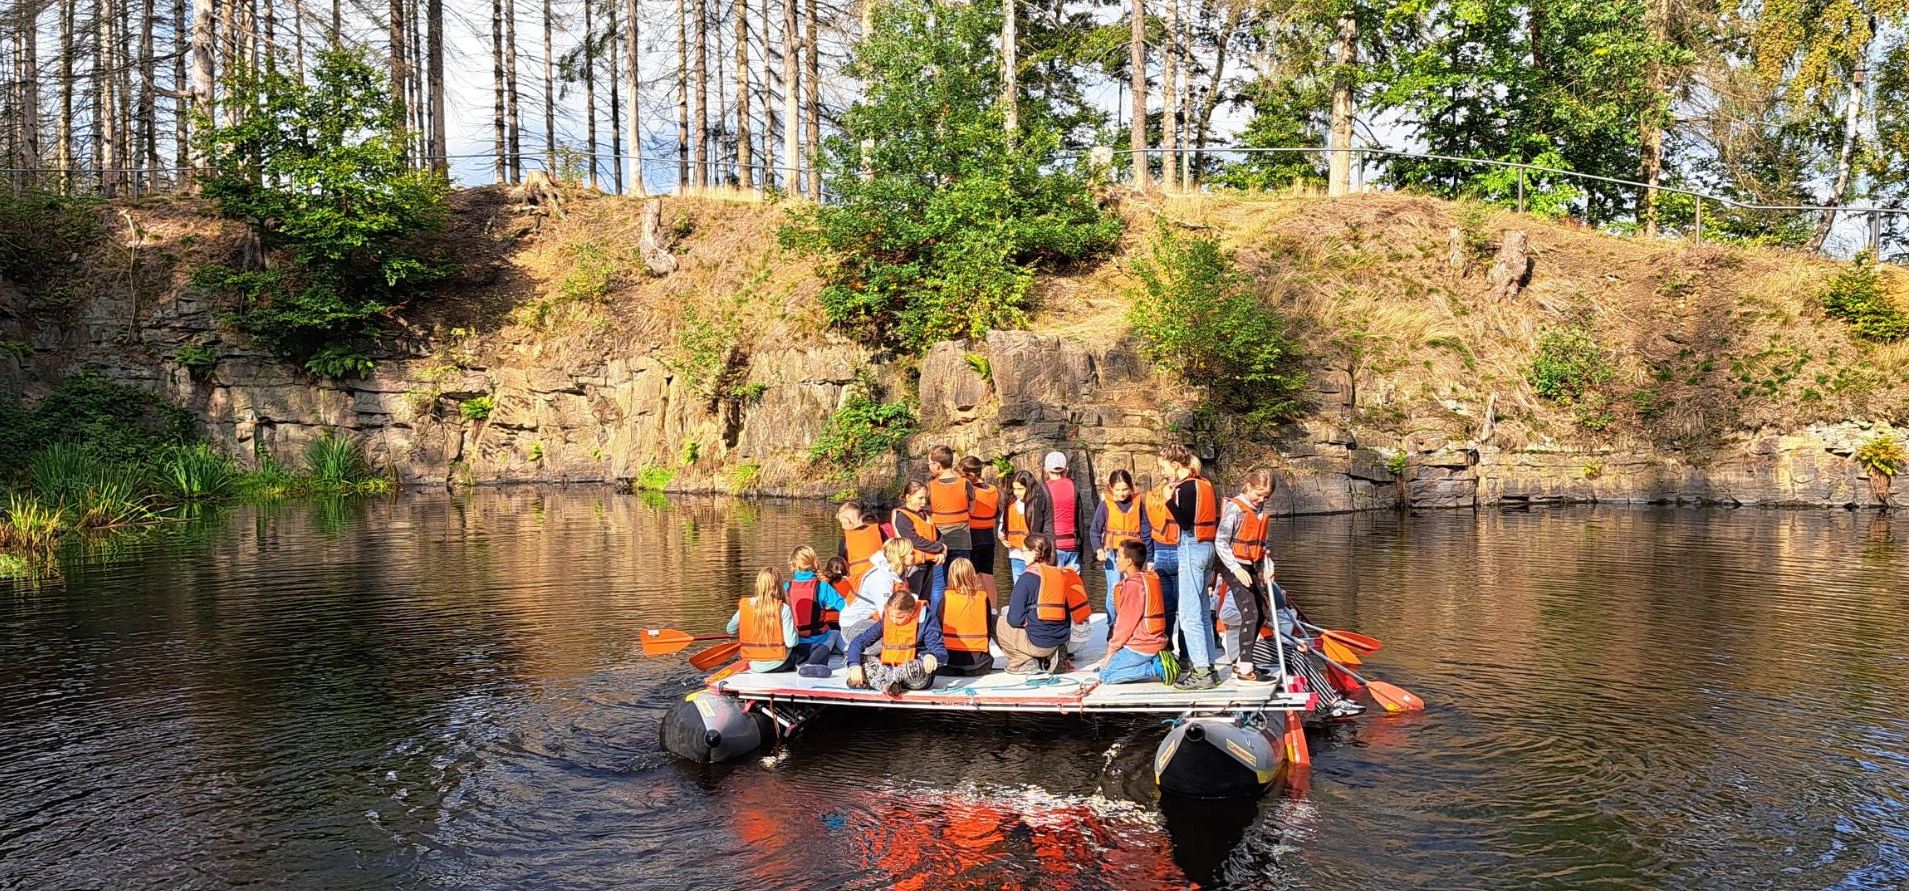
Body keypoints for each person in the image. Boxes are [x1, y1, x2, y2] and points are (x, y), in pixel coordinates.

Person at [1161, 445, 1220, 690]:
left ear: (1176, 465)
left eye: (1164, 468)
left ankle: (1202, 671)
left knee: (1188, 614)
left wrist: (1167, 500)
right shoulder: (1204, 483)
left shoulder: (1185, 488)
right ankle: (1210, 667)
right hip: (1208, 548)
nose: (1164, 473)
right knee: (1203, 612)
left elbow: (1185, 522)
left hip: (1192, 548)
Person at [1214, 469, 1277, 683]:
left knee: (1261, 611)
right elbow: (1221, 541)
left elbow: (1262, 545)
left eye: (1265, 497)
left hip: (1250, 564)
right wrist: (1235, 568)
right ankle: (1245, 669)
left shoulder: (1259, 511)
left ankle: (1243, 662)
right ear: (1249, 486)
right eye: (1258, 494)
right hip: (1231, 564)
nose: (1261, 499)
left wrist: (1267, 565)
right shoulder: (1236, 508)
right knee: (1249, 611)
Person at [996, 533, 1090, 674]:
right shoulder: (1060, 576)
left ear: (1035, 553)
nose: (1023, 555)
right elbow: (1067, 615)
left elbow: (1014, 619)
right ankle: (1053, 655)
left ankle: (1023, 661)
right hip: (1061, 639)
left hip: (1039, 642)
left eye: (1024, 551)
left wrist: (1026, 622)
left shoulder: (1026, 579)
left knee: (996, 621)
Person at [1092, 540, 1178, 685]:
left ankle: (1155, 668)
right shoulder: (1145, 578)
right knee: (1109, 666)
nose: (1116, 560)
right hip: (1154, 641)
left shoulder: (1132, 587)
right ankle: (1153, 660)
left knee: (1105, 675)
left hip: (1142, 646)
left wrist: (1110, 653)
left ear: (1129, 561)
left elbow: (1124, 626)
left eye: (1119, 556)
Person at [846, 591, 947, 696]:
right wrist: (855, 666)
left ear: (911, 612)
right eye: (891, 616)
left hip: (912, 675)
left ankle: (878, 682)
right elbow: (858, 642)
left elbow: (942, 653)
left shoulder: (926, 621)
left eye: (900, 617)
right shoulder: (886, 621)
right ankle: (888, 684)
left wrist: (932, 656)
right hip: (888, 668)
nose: (894, 621)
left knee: (918, 667)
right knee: (853, 659)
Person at [1087, 469, 1148, 624]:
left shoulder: (1138, 502)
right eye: (1118, 489)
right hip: (1113, 553)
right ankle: (1113, 624)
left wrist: (1150, 555)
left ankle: (1132, 622)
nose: (1122, 493)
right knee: (1114, 589)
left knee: (1134, 588)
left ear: (1131, 487)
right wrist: (1098, 549)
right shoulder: (1105, 505)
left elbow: (1146, 528)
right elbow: (1094, 530)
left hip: (1133, 553)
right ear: (1111, 488)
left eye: (1125, 489)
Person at [726, 568, 806, 673]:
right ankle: (806, 666)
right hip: (780, 663)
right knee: (815, 648)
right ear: (778, 586)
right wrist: (795, 631)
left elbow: (730, 630)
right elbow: (791, 643)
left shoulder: (746, 606)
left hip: (753, 664)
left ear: (758, 585)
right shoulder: (783, 608)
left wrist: (747, 631)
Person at [785, 545, 848, 677]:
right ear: (814, 562)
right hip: (819, 640)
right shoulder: (823, 587)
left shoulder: (786, 587)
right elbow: (845, 608)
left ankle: (800, 662)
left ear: (792, 565)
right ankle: (850, 655)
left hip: (795, 642)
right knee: (835, 633)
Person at [840, 537, 914, 648]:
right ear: (901, 556)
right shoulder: (882, 578)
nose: (914, 555)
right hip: (853, 626)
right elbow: (886, 613)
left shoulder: (897, 574)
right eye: (911, 553)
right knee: (893, 640)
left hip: (871, 622)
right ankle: (855, 653)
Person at [1142, 471, 1183, 660]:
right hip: (1180, 552)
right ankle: (1185, 654)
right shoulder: (1180, 497)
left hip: (1159, 555)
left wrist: (1149, 558)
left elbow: (1145, 531)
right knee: (1185, 609)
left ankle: (1166, 648)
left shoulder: (1150, 499)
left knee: (1166, 607)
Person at [891, 481, 949, 610]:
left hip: (929, 563)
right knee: (912, 599)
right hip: (913, 564)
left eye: (925, 498)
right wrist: (938, 548)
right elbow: (913, 540)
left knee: (925, 600)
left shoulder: (924, 515)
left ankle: (926, 625)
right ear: (908, 497)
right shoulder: (902, 517)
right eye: (920, 498)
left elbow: (938, 535)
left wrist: (942, 551)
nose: (924, 502)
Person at [939, 557, 996, 676]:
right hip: (978, 665)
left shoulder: (946, 599)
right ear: (972, 575)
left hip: (949, 663)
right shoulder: (983, 598)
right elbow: (988, 627)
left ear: (951, 577)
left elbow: (937, 628)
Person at [926, 446, 975, 568]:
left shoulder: (929, 486)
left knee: (938, 584)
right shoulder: (965, 483)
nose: (929, 466)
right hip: (962, 541)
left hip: (938, 542)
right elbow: (972, 509)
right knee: (960, 581)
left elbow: (924, 512)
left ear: (937, 465)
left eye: (929, 463)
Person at [1001, 469, 1051, 583]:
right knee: (1019, 585)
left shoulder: (1037, 503)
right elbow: (1002, 524)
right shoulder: (1011, 503)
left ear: (1029, 487)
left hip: (1034, 556)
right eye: (1014, 488)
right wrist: (1002, 538)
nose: (1016, 492)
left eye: (1020, 489)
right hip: (1016, 554)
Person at [959, 456, 1001, 593]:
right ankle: (993, 609)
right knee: (988, 574)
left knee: (974, 574)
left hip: (973, 536)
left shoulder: (970, 492)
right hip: (989, 537)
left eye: (962, 475)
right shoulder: (993, 490)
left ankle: (978, 608)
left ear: (970, 476)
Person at [1042, 451, 1085, 568]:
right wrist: (1081, 549)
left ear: (1046, 469)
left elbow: (1037, 522)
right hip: (1073, 546)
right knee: (1073, 585)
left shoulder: (1043, 489)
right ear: (1066, 469)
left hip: (1052, 548)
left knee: (1054, 585)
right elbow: (1080, 521)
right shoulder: (1074, 488)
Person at [837, 501, 888, 591]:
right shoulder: (878, 531)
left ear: (849, 521)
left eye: (843, 523)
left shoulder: (845, 540)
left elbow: (841, 565)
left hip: (859, 584)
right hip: (881, 579)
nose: (842, 526)